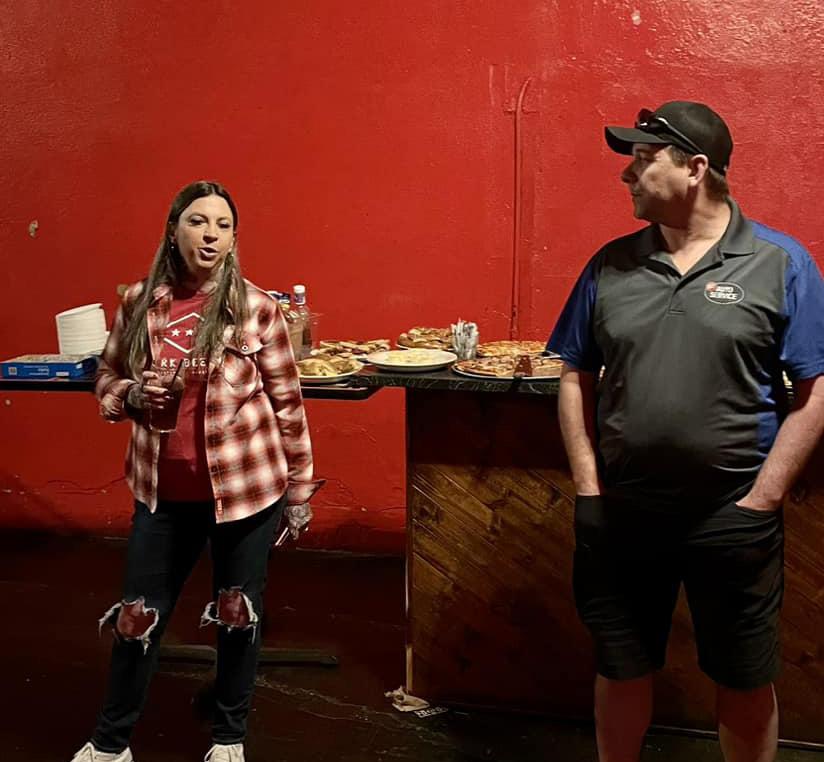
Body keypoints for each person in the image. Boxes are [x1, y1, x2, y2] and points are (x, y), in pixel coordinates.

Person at [547, 101, 824, 762]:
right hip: (625, 511)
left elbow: (815, 390)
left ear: (696, 168)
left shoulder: (780, 262)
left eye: (644, 160)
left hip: (732, 515)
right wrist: (588, 488)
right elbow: (574, 373)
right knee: (621, 665)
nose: (627, 175)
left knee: (744, 677)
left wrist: (763, 498)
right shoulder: (610, 265)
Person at [71, 180, 322, 762]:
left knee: (237, 615)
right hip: (163, 492)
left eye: (223, 225)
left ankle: (229, 736)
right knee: (137, 617)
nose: (211, 235)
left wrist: (299, 488)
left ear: (234, 240)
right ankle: (111, 743)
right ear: (173, 230)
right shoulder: (140, 302)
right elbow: (105, 376)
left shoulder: (257, 308)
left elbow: (288, 403)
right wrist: (131, 395)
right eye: (198, 221)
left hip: (245, 490)